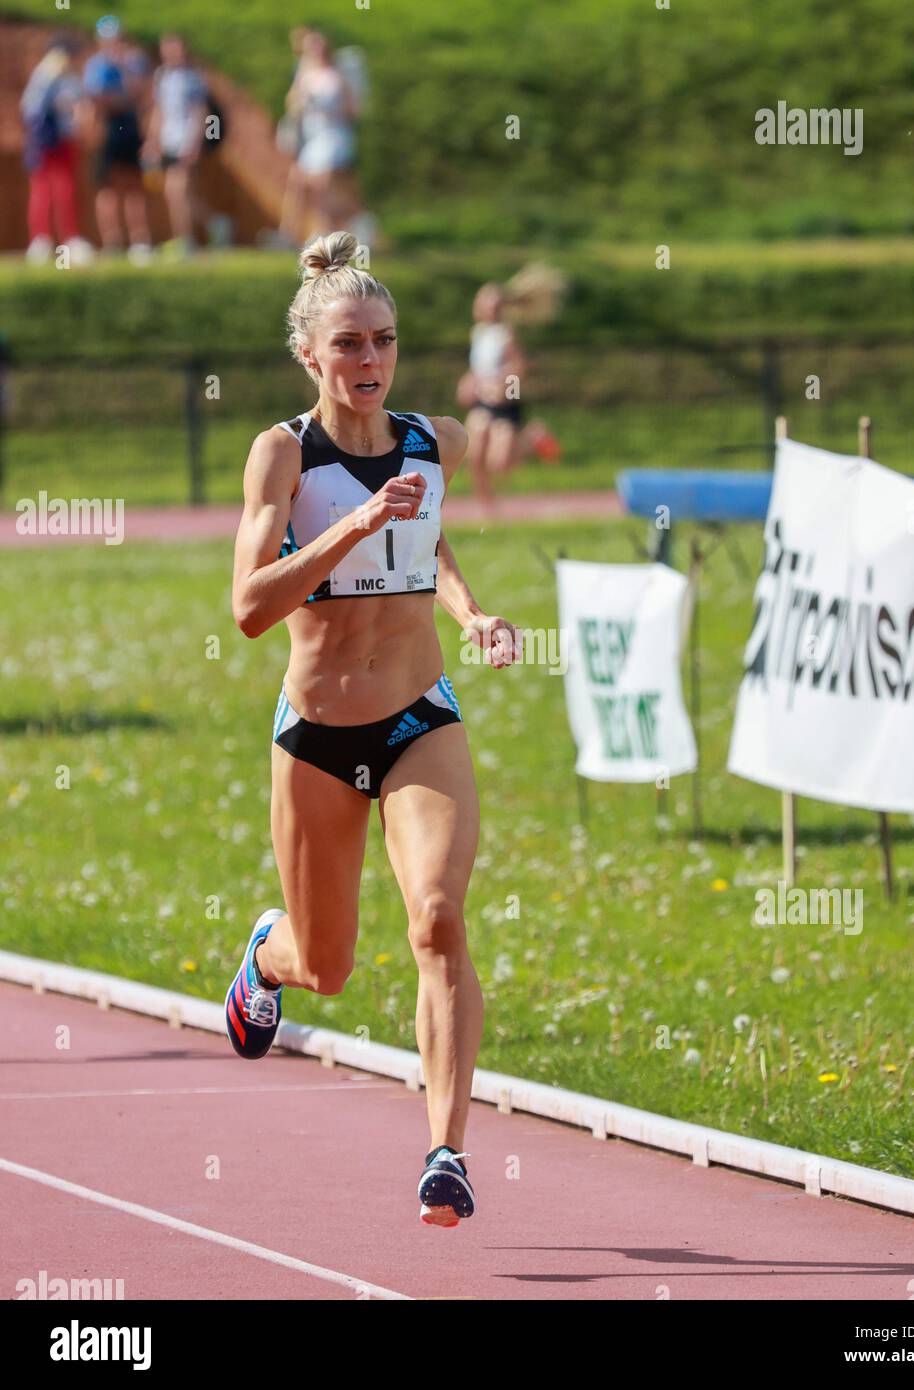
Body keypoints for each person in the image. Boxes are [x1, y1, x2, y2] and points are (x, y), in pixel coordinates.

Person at [225, 230, 520, 1227]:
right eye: (348, 343)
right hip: (317, 732)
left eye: (384, 341)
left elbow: (428, 539)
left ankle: (447, 1153)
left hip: (417, 717)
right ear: (309, 353)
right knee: (327, 965)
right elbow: (249, 607)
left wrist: (470, 614)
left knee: (436, 916)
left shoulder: (438, 439)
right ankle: (266, 954)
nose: (369, 360)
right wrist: (351, 525)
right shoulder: (283, 454)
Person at [460, 277, 562, 508]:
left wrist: (507, 390)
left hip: (505, 404)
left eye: (495, 304)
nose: (491, 308)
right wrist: (467, 382)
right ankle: (488, 508)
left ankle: (532, 436)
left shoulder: (507, 334)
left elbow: (519, 368)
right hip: (482, 402)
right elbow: (478, 367)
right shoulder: (478, 333)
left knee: (500, 463)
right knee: (474, 454)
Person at [278, 31, 362, 244]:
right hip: (312, 138)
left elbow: (353, 111)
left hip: (333, 135)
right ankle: (293, 234)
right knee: (303, 185)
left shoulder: (337, 75)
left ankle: (322, 233)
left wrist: (331, 108)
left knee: (321, 184)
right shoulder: (304, 76)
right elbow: (292, 107)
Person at [82, 14, 153, 263]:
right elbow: (97, 100)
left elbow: (141, 94)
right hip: (109, 131)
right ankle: (112, 242)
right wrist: (120, 101)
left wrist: (122, 75)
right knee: (108, 188)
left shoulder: (132, 63)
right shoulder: (95, 66)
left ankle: (140, 241)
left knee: (135, 186)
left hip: (130, 129)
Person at [20, 36, 92, 265]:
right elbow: (30, 110)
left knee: (66, 191)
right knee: (42, 191)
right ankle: (40, 240)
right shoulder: (44, 76)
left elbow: (79, 107)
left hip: (65, 142)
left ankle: (69, 238)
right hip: (45, 143)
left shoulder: (70, 79)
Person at [143, 33, 210, 256]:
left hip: (186, 140)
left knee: (176, 191)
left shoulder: (193, 78)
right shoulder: (161, 76)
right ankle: (216, 222)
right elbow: (159, 111)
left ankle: (185, 241)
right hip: (168, 141)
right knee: (183, 194)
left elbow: (201, 111)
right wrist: (152, 140)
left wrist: (196, 142)